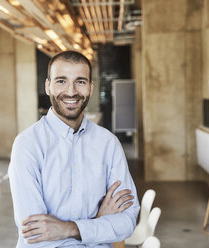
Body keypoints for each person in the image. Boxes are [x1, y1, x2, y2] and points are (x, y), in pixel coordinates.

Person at [8, 50, 140, 247]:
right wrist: (97, 223)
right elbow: (36, 234)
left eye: (80, 81)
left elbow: (127, 222)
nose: (71, 91)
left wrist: (70, 228)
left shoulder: (108, 144)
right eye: (61, 81)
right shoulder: (27, 144)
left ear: (90, 87)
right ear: (48, 86)